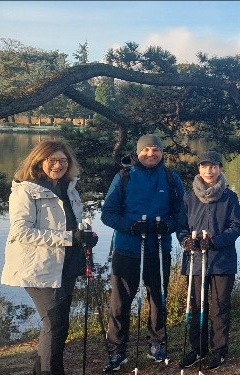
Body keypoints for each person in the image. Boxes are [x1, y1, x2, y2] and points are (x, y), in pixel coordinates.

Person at [1, 140, 97, 375]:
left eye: (63, 161)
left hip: (67, 264)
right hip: (39, 267)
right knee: (54, 325)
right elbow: (21, 232)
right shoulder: (26, 190)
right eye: (51, 160)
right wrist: (68, 238)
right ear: (39, 161)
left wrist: (85, 236)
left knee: (58, 326)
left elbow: (75, 224)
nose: (58, 165)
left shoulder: (69, 188)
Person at [101, 134, 184, 371]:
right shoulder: (125, 176)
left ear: (162, 153)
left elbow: (181, 213)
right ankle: (117, 349)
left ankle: (157, 342)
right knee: (120, 303)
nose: (151, 154)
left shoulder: (170, 178)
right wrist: (129, 226)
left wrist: (167, 225)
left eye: (156, 150)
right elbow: (108, 213)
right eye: (146, 150)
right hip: (127, 249)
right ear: (138, 153)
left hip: (158, 248)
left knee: (158, 298)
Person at [176, 151, 240, 370]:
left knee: (219, 307)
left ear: (219, 168)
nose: (209, 171)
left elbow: (236, 227)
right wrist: (186, 240)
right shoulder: (189, 196)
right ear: (199, 169)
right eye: (205, 166)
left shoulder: (229, 197)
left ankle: (219, 350)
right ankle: (198, 348)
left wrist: (216, 241)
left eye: (213, 166)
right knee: (196, 306)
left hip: (222, 261)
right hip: (195, 262)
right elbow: (181, 226)